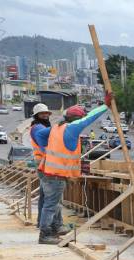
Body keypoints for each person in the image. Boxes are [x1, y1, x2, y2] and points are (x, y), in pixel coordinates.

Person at [33, 93, 112, 244]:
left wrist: (45, 150)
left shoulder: (57, 127)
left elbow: (40, 136)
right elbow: (90, 118)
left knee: (53, 203)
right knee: (50, 205)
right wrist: (105, 106)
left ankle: (54, 229)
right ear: (76, 119)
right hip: (55, 174)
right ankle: (45, 235)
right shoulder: (72, 128)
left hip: (47, 172)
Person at [28, 103, 51, 228]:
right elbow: (46, 144)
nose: (45, 115)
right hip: (43, 161)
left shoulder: (40, 126)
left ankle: (40, 221)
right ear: (37, 115)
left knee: (44, 193)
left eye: (46, 113)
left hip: (43, 160)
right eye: (42, 113)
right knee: (49, 194)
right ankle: (45, 223)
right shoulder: (38, 127)